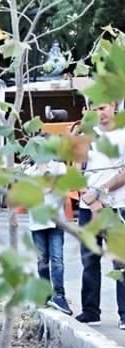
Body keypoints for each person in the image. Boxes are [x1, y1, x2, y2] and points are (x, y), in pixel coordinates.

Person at [76, 101, 125, 328]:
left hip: (116, 206)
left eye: (103, 107)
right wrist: (89, 198)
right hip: (88, 208)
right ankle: (90, 310)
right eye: (94, 108)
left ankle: (124, 313)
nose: (99, 113)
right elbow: (77, 170)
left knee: (120, 262)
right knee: (89, 260)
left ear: (113, 106)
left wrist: (101, 191)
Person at [25, 153, 72, 315]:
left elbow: (61, 191)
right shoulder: (29, 172)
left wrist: (45, 173)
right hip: (37, 221)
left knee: (57, 259)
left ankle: (59, 295)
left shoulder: (59, 167)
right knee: (42, 259)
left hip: (56, 221)